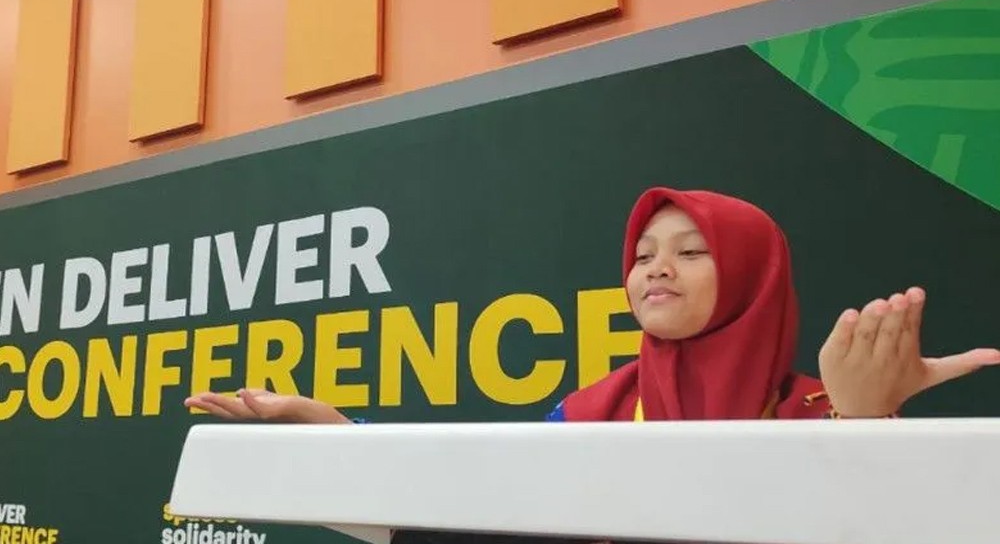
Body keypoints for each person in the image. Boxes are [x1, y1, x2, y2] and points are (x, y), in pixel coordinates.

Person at [186, 186, 1000, 423]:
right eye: (642, 256)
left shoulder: (822, 410)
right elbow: (473, 501)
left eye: (692, 252)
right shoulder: (593, 412)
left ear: (753, 278)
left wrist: (865, 427)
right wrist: (327, 426)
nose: (657, 269)